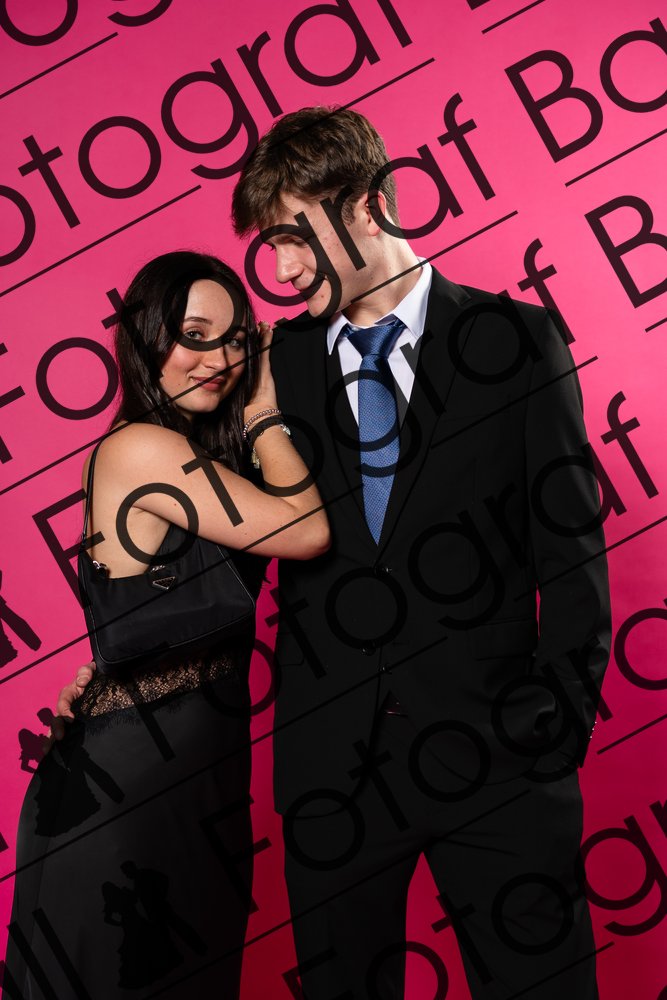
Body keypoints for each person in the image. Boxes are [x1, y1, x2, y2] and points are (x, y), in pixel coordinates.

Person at [58, 108, 611, 999]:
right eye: (270, 247)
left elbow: (572, 552)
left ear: (363, 203)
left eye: (290, 237)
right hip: (332, 777)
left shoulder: (513, 339)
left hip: (499, 760)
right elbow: (204, 530)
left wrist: (554, 727)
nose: (278, 270)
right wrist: (118, 667)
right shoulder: (275, 362)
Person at [3, 251, 329, 1000]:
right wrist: (265, 413)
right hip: (124, 797)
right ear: (148, 338)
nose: (219, 359)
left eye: (235, 339)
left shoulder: (201, 457)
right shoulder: (140, 447)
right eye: (194, 335)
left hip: (195, 783)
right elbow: (308, 531)